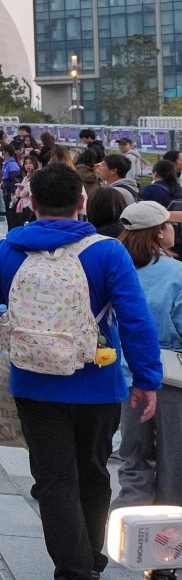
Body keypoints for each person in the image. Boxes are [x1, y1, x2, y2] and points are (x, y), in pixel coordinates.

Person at [0, 164, 161, 580]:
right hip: (99, 382)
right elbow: (136, 319)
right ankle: (90, 558)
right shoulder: (107, 252)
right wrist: (148, 379)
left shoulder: (6, 249)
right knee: (94, 473)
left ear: (31, 203)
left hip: (34, 386)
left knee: (54, 480)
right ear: (81, 202)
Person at [112, 201, 182, 510]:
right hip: (170, 379)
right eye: (169, 225)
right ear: (158, 233)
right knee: (172, 462)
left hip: (124, 374)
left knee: (134, 456)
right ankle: (168, 540)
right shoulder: (176, 273)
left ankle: (128, 523)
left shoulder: (117, 267)